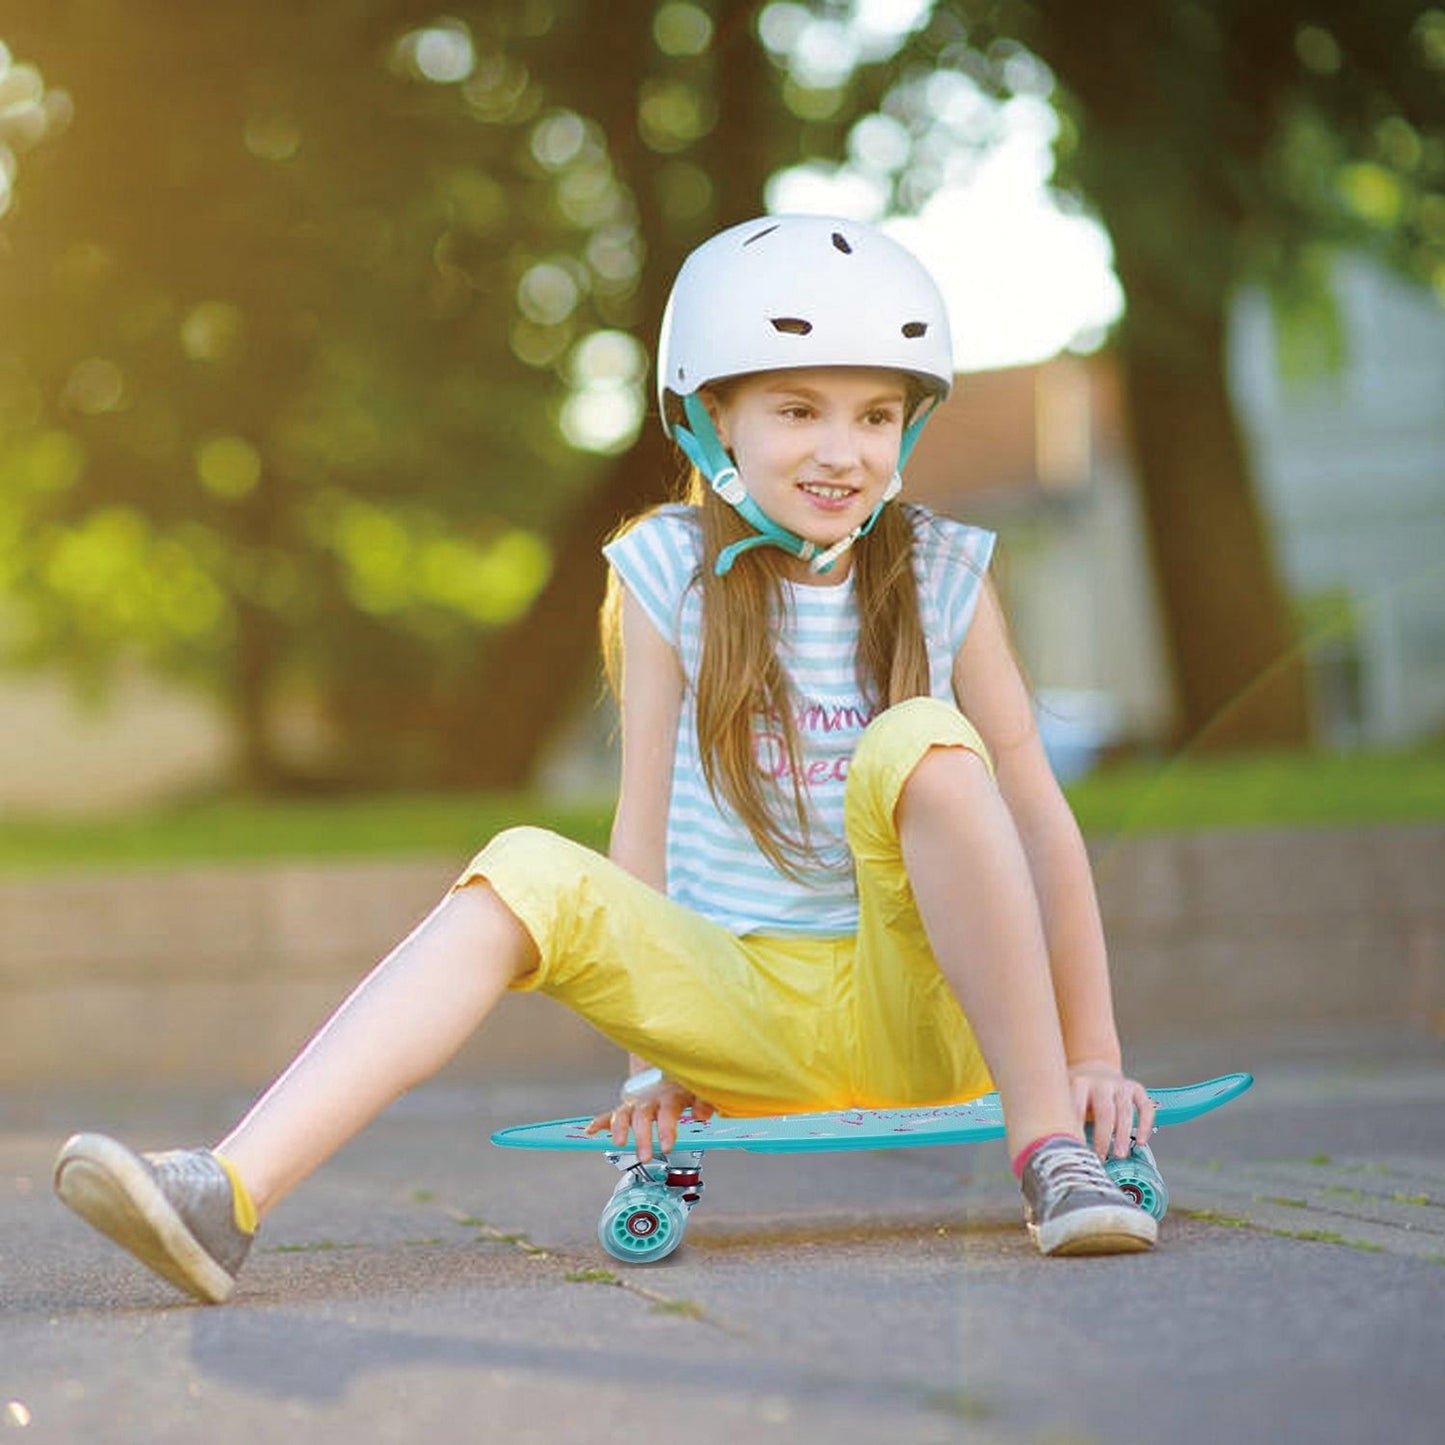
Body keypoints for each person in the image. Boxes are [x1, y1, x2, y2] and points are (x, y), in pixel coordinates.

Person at [53, 214, 1157, 1305]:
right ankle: (225, 1191)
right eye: (796, 409)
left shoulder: (938, 570)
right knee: (522, 861)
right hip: (742, 1023)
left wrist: (1090, 1047)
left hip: (930, 1011)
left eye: (874, 413)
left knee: (925, 741)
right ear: (710, 415)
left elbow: (1037, 817)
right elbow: (648, 814)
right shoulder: (663, 570)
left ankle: (1047, 1156)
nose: (841, 448)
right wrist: (649, 1061)